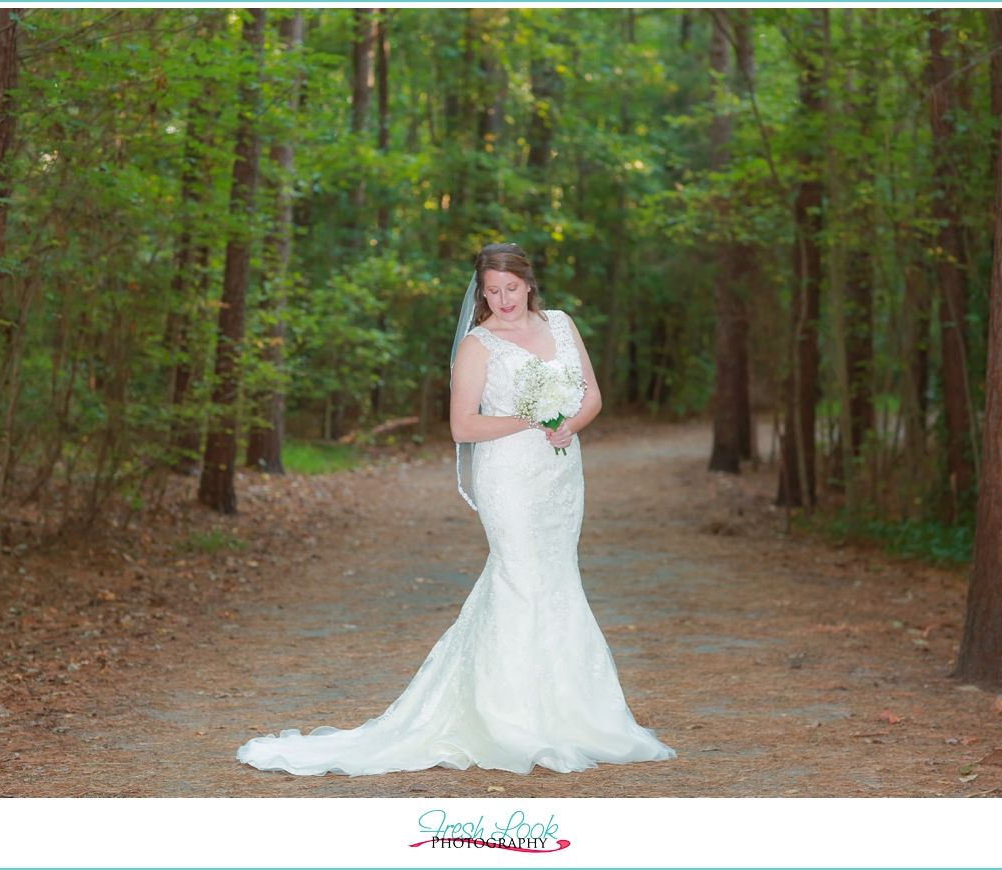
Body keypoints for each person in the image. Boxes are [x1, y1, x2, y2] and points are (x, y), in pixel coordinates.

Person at [236, 243, 675, 776]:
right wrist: (530, 418)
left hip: (560, 472)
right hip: (507, 476)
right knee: (519, 576)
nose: (502, 299)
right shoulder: (478, 344)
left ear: (529, 284)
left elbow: (592, 397)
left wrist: (567, 424)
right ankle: (505, 718)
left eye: (510, 289)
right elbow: (462, 426)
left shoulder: (561, 324)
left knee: (557, 579)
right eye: (491, 290)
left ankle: (571, 715)